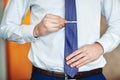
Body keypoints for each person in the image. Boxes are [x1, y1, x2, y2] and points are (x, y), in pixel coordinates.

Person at [0, 0, 120, 80]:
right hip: (44, 76)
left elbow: (118, 23)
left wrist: (100, 47)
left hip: (92, 75)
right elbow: (5, 29)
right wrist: (35, 30)